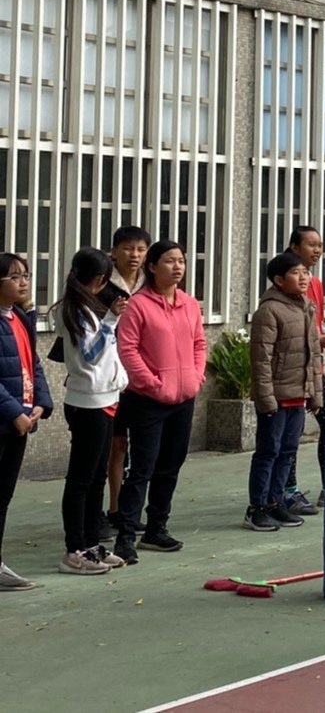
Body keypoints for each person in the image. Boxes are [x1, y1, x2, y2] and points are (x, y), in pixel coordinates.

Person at [112, 241, 207, 564]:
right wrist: (150, 382)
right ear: (152, 267)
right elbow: (127, 349)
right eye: (169, 261)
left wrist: (195, 377)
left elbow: (199, 343)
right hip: (147, 400)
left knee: (170, 465)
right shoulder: (138, 305)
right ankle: (125, 536)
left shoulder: (189, 304)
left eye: (181, 261)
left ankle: (156, 528)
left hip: (183, 398)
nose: (177, 267)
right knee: (142, 468)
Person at [56, 249, 129, 574]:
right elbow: (92, 354)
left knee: (97, 476)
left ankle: (90, 543)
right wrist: (112, 320)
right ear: (100, 279)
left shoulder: (83, 307)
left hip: (104, 398)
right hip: (88, 403)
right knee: (81, 479)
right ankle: (74, 549)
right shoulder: (74, 310)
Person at [243, 252, 324, 532]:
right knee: (268, 452)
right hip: (276, 398)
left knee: (288, 452)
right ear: (278, 280)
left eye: (305, 272)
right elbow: (261, 360)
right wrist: (266, 399)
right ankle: (257, 508)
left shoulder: (306, 307)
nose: (303, 278)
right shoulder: (269, 311)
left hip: (298, 396)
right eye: (295, 273)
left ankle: (276, 502)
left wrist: (315, 394)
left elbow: (314, 355)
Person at [0, 253, 51, 590]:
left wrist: (41, 404)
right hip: (7, 419)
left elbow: (33, 364)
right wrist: (12, 411)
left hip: (20, 420)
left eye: (26, 275)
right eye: (15, 276)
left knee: (3, 496)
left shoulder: (19, 317)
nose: (24, 282)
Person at [102, 225, 149, 543]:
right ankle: (113, 508)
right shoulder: (103, 283)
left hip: (140, 375)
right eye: (128, 248)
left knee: (138, 445)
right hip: (108, 375)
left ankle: (128, 510)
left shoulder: (150, 283)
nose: (134, 255)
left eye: (141, 250)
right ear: (114, 251)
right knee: (115, 444)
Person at [282, 225, 325, 514]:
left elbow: (316, 325)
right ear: (294, 247)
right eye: (311, 244)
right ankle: (287, 491)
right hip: (291, 372)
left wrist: (320, 339)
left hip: (315, 368)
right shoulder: (283, 284)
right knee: (288, 434)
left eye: (320, 244)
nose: (318, 250)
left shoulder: (316, 284)